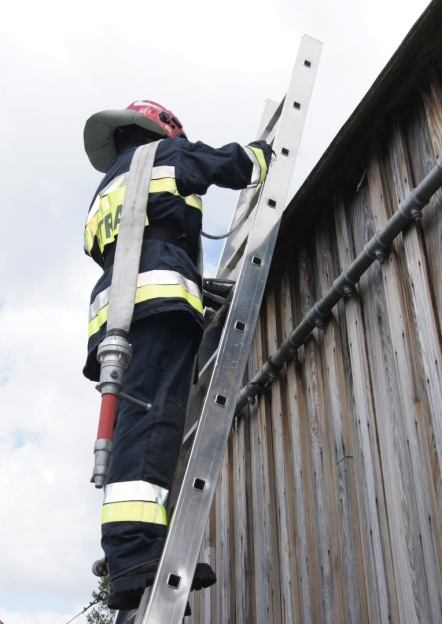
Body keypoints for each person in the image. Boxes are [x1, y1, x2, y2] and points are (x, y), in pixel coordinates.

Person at [83, 100, 272, 610]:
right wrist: (261, 158)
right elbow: (220, 165)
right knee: (151, 425)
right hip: (154, 303)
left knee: (143, 426)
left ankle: (138, 557)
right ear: (160, 129)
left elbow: (140, 241)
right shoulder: (163, 154)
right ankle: (133, 552)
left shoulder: (107, 191)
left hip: (116, 317)